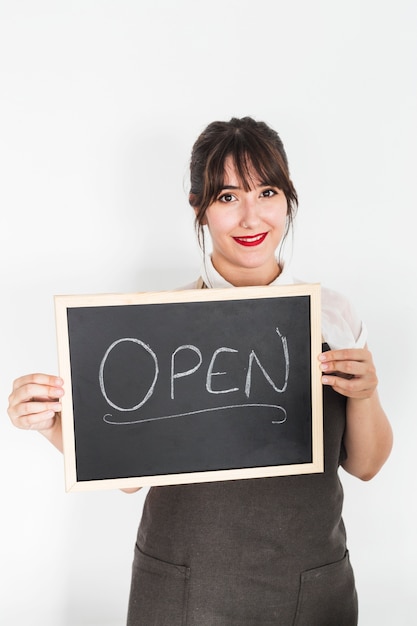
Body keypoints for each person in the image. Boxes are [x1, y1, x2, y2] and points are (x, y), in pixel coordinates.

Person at [7, 116, 393, 625]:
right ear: (200, 209)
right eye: (228, 198)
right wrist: (51, 423)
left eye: (267, 192)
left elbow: (365, 466)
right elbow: (126, 477)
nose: (251, 218)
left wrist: (366, 393)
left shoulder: (334, 314)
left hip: (310, 585)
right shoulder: (155, 324)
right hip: (183, 585)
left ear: (288, 199)